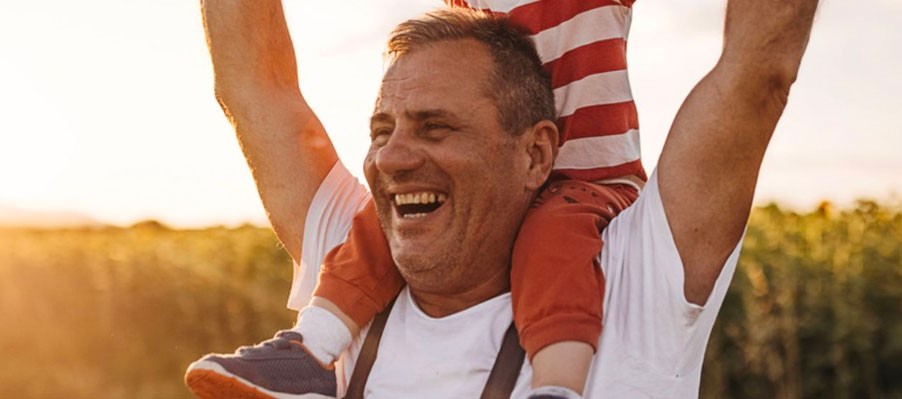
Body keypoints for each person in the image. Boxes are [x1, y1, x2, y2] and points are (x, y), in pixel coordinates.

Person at [187, 0, 819, 397]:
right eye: (382, 130)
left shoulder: (633, 272)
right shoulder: (354, 254)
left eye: (437, 127)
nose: (393, 157)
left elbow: (756, 73)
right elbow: (253, 83)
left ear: (537, 154)